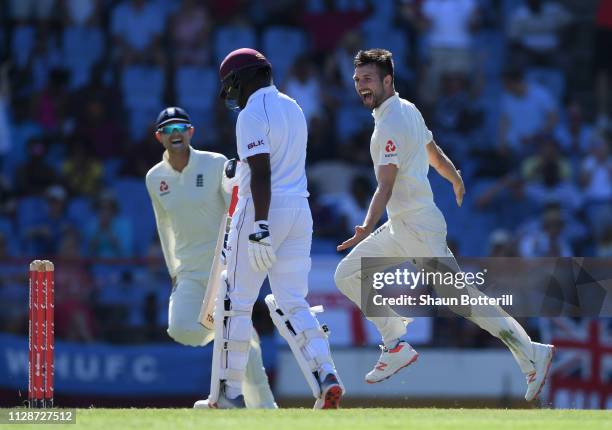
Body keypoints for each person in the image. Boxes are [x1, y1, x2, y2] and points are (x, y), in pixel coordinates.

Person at [333, 49, 554, 402]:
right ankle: (395, 343)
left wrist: (363, 226)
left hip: (418, 229)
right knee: (346, 274)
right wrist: (455, 178)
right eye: (358, 79)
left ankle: (533, 353)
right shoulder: (407, 109)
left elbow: (385, 186)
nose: (361, 86)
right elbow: (433, 151)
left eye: (369, 79)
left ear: (388, 80)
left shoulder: (390, 122)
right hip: (403, 227)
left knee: (464, 300)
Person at [203, 48, 343, 409]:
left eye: (232, 83)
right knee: (292, 302)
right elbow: (270, 163)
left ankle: (227, 395)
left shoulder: (251, 113)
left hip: (262, 211)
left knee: (234, 301)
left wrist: (260, 225)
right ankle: (326, 375)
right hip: (299, 210)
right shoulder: (293, 106)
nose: (231, 92)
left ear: (249, 77)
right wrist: (241, 170)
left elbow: (263, 173)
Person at [145, 106, 276, 409]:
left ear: (191, 132)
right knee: (181, 329)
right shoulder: (154, 178)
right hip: (189, 271)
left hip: (225, 266)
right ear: (159, 137)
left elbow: (236, 202)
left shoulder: (214, 162)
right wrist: (173, 270)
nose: (176, 133)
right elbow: (163, 226)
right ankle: (236, 331)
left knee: (239, 344)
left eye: (181, 128)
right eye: (169, 129)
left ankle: (265, 410)